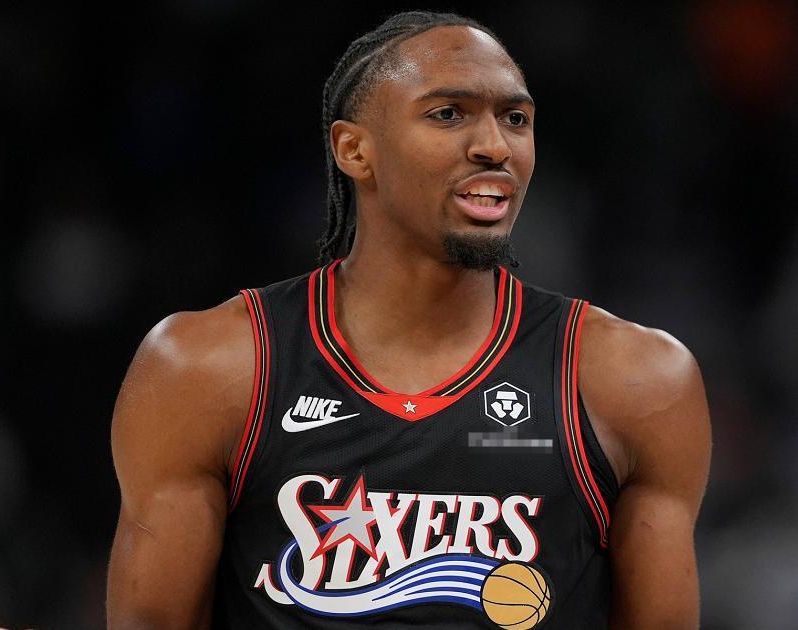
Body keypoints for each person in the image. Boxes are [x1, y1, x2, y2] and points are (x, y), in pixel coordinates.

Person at [106, 11, 711, 630]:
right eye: (448, 113)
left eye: (515, 118)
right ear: (354, 150)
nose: (495, 146)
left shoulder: (633, 379)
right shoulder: (208, 366)